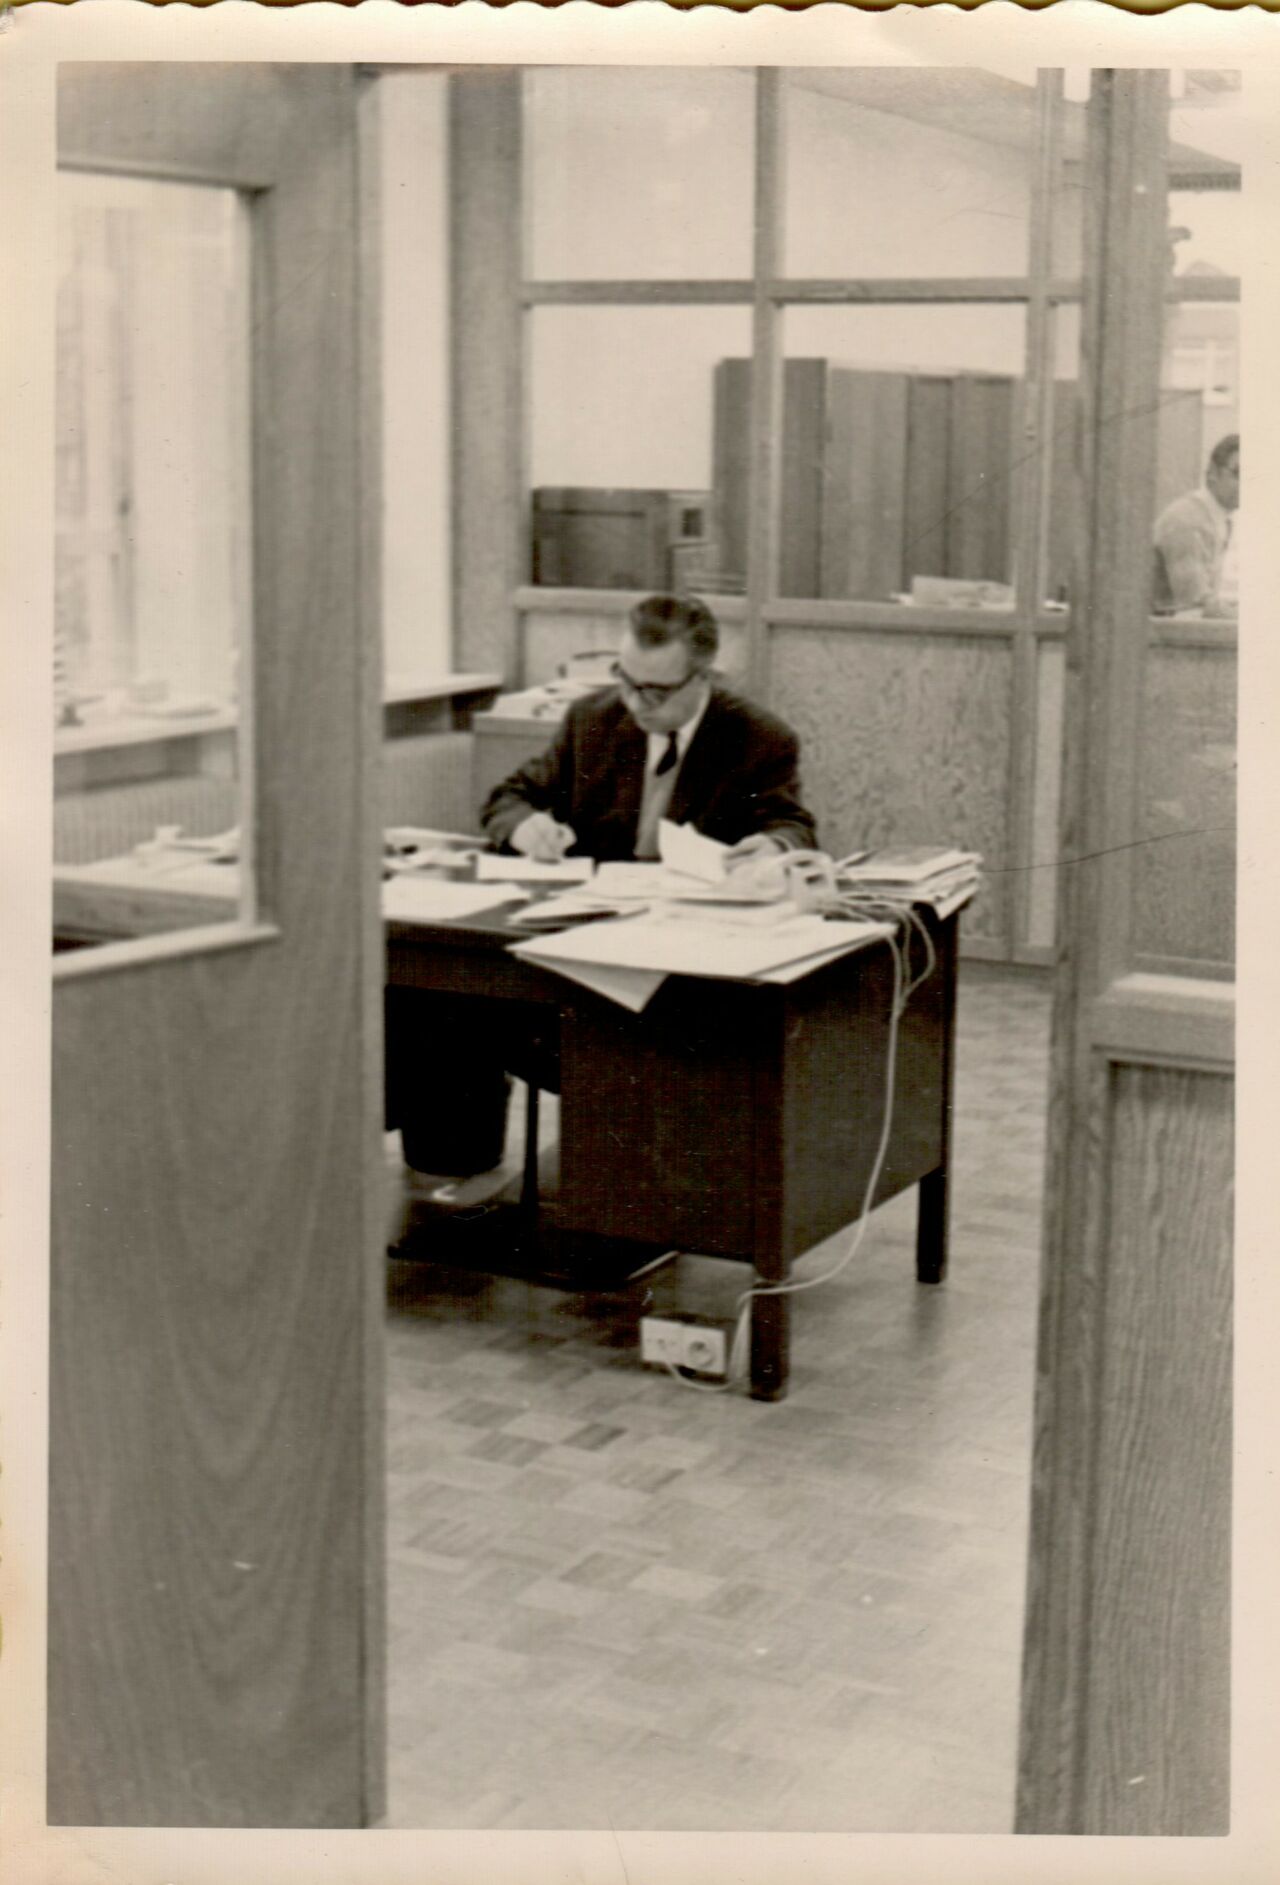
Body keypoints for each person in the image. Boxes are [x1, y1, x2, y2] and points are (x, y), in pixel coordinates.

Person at [386, 593, 818, 1195]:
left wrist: (771, 849)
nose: (636, 703)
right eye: (627, 680)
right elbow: (508, 796)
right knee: (437, 992)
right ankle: (454, 1158)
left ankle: (646, 1187)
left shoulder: (754, 738)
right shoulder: (593, 719)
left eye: (657, 691)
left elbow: (791, 824)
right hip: (583, 935)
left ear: (705, 676)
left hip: (683, 959)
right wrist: (523, 826)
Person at [1152, 433, 1239, 617]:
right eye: (1239, 473)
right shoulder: (1187, 520)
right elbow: (1195, 604)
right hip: (1150, 635)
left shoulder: (1216, 517)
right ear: (1212, 474)